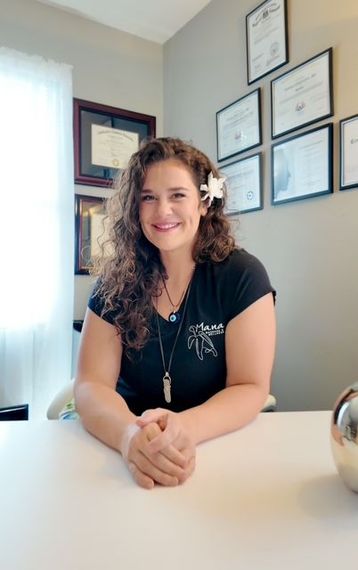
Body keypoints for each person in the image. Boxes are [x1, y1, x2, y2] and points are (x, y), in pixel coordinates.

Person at [75, 137, 276, 490]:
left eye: (178, 195)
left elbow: (250, 386)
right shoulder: (115, 281)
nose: (162, 210)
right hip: (124, 448)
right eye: (148, 197)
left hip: (214, 448)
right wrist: (127, 438)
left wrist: (187, 428)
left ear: (203, 203)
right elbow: (92, 384)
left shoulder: (242, 276)